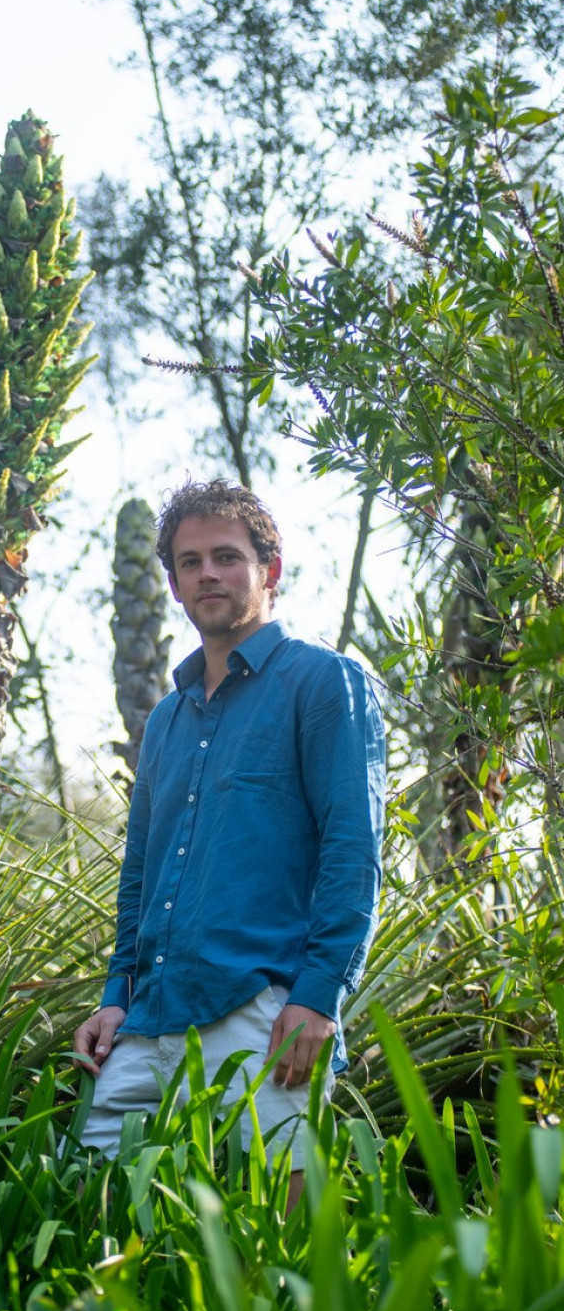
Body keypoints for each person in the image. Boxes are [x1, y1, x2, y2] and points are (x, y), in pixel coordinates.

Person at [76, 480, 386, 1209]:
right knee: (92, 1204)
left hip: (264, 1008)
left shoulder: (324, 682)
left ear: (269, 570)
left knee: (289, 1228)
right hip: (151, 1014)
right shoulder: (166, 721)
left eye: (227, 556)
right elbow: (141, 874)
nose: (207, 573)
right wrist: (116, 995)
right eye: (189, 562)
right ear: (175, 584)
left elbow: (353, 849)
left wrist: (319, 997)